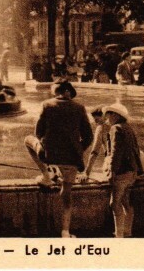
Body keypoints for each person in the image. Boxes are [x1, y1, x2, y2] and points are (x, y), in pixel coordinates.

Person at [25, 79, 94, 238]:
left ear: (57, 91)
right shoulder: (80, 107)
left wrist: (48, 142)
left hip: (49, 156)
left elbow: (38, 133)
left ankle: (46, 175)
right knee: (67, 196)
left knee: (27, 140)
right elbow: (88, 137)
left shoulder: (47, 105)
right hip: (71, 160)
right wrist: (78, 150)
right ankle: (65, 232)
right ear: (68, 92)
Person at [103, 103, 143, 237]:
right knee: (126, 201)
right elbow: (136, 150)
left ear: (115, 115)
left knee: (114, 203)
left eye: (108, 114)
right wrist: (138, 169)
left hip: (121, 172)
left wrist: (112, 172)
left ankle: (118, 235)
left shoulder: (116, 129)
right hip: (131, 171)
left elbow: (115, 152)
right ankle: (127, 231)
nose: (107, 118)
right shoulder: (128, 128)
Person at [78, 108, 108, 182]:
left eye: (97, 120)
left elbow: (94, 152)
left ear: (104, 116)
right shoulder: (121, 125)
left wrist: (86, 173)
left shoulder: (101, 128)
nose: (96, 123)